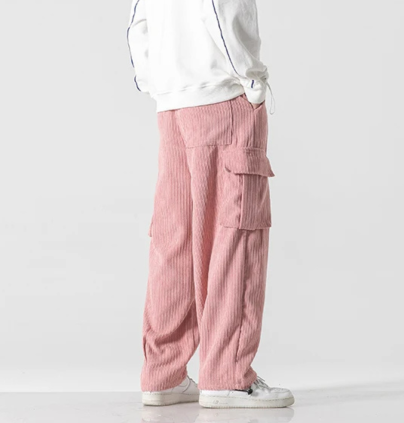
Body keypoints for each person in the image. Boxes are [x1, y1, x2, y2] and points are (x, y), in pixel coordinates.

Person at [127, 0, 294, 409]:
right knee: (235, 233)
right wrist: (250, 76)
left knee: (175, 238)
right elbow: (220, 6)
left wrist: (159, 83)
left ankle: (163, 373)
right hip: (223, 96)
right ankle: (228, 376)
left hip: (173, 104)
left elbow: (138, 19)